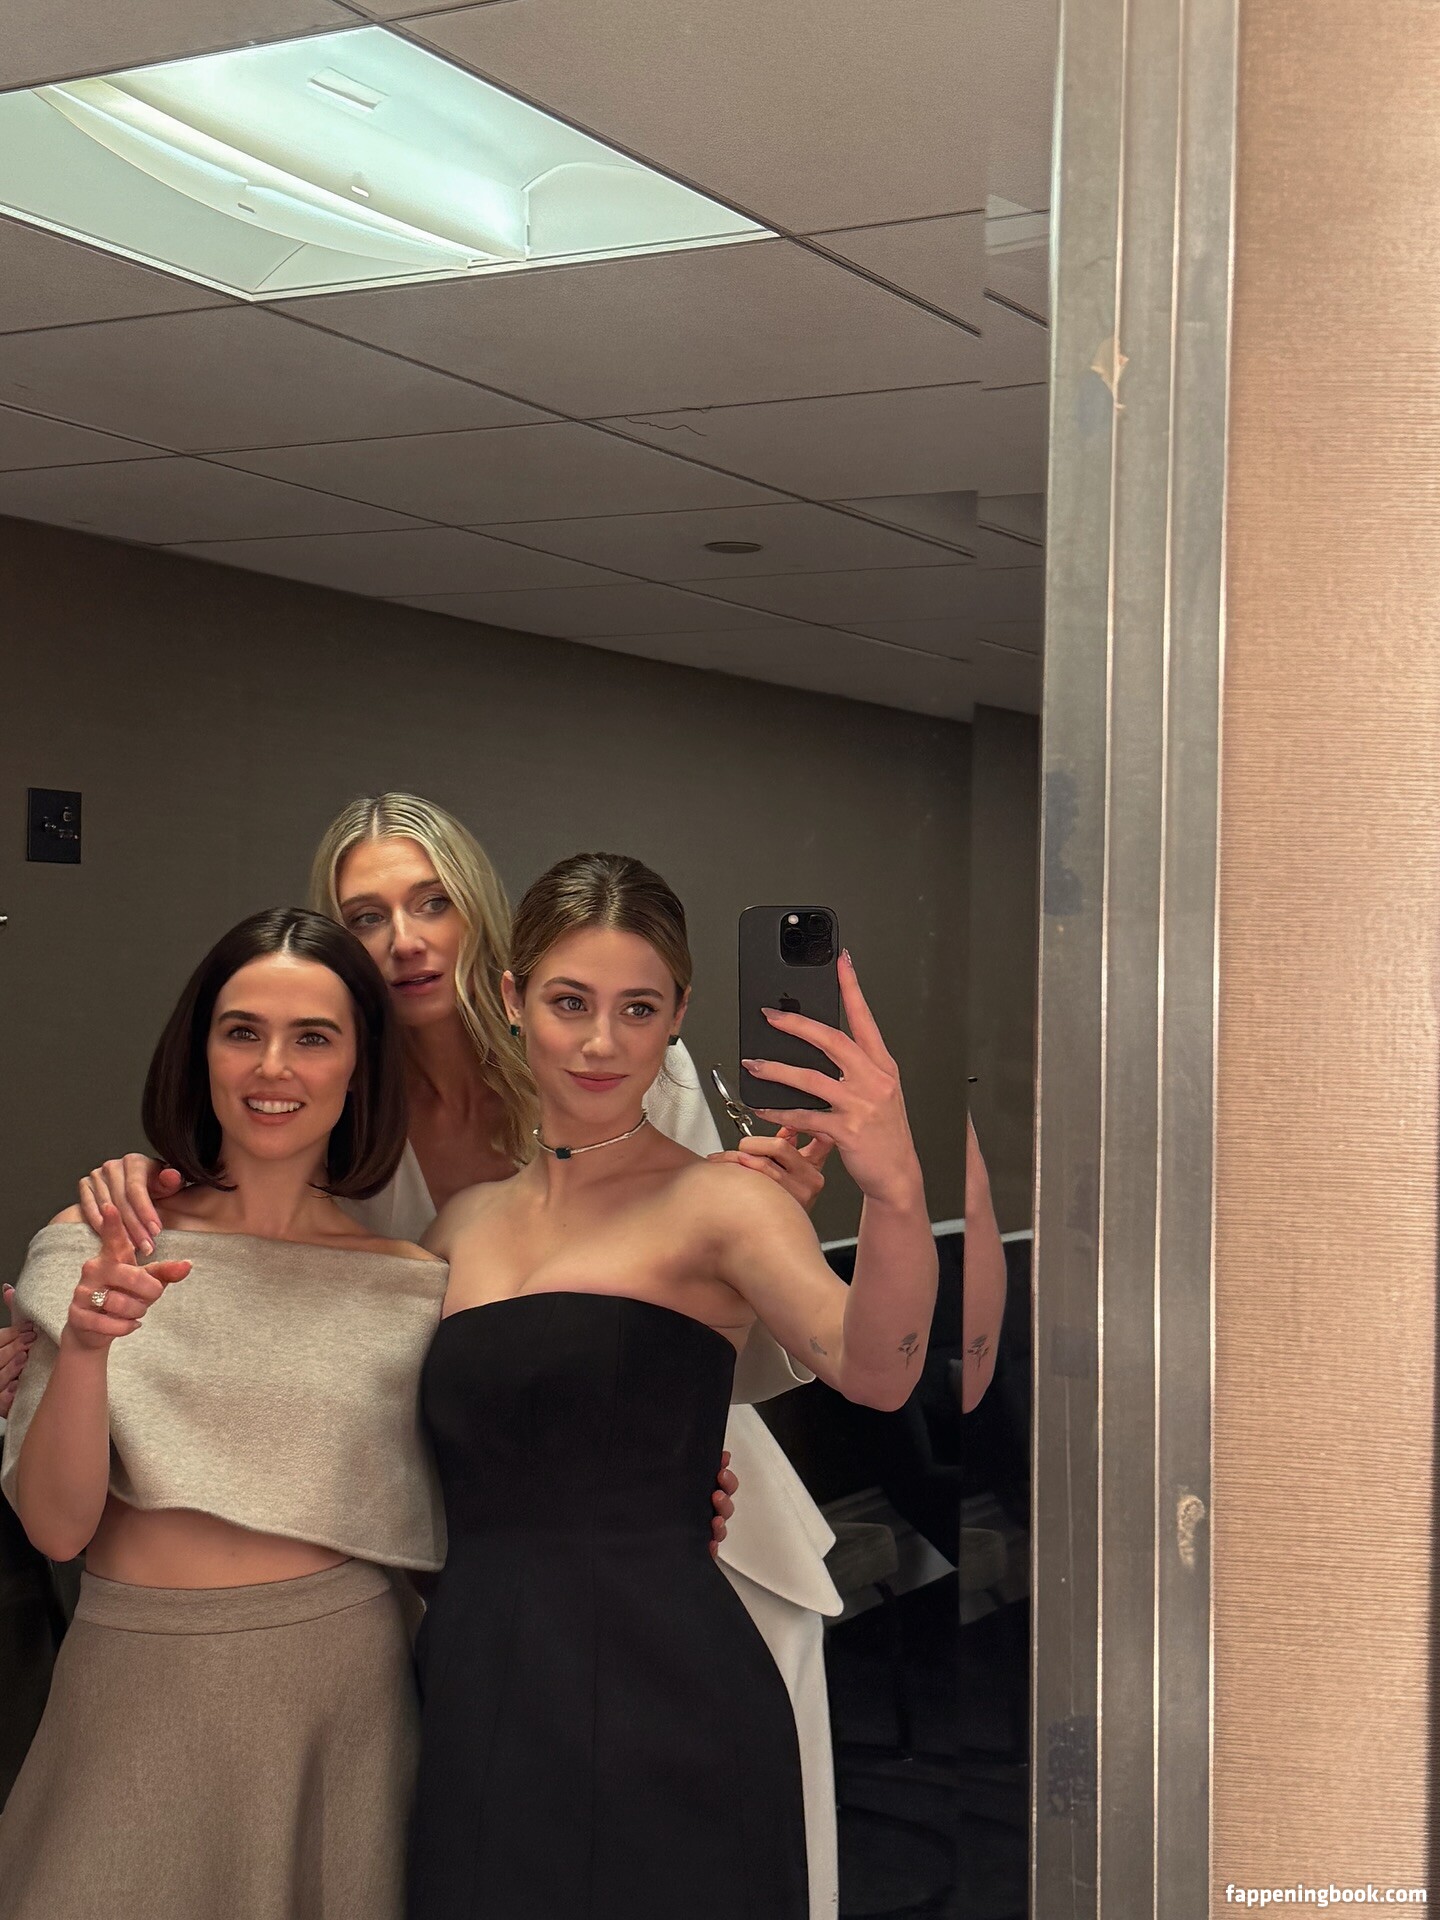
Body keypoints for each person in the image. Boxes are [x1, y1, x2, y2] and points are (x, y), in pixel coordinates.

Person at [78, 791, 845, 1919]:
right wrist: (109, 1247)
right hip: (491, 1563)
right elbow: (296, 1294)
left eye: (431, 902)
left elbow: (720, 1330)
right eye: (367, 914)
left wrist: (655, 1444)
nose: (405, 938)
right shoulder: (341, 1115)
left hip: (688, 1535)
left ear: (480, 918)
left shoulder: (619, 1043)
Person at [409, 850, 938, 1920]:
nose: (602, 1042)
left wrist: (893, 1188)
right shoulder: (459, 1225)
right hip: (474, 1692)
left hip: (670, 1695)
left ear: (678, 1016)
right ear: (512, 998)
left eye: (638, 1008)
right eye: (570, 1002)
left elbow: (878, 1372)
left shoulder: (725, 1202)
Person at [0, 909, 447, 1920]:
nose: (272, 1067)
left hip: (345, 1694)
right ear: (199, 1050)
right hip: (134, 1684)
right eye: (242, 1031)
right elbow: (56, 1529)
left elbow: (467, 1510)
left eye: (313, 1036)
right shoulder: (98, 1243)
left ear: (360, 1067)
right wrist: (85, 1348)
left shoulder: (412, 1287)